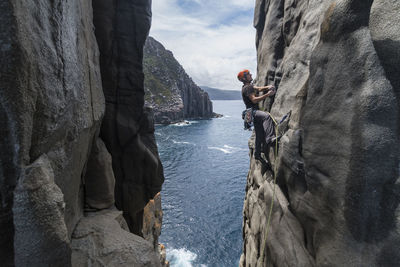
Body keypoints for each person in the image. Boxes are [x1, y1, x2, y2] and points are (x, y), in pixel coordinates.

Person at [238, 69, 276, 162]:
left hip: (250, 114)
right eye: (248, 74)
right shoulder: (247, 88)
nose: (251, 75)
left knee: (259, 134)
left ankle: (257, 154)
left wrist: (268, 87)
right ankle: (270, 138)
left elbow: (258, 89)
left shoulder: (247, 87)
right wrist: (268, 94)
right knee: (266, 117)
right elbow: (254, 100)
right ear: (244, 78)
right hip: (253, 112)